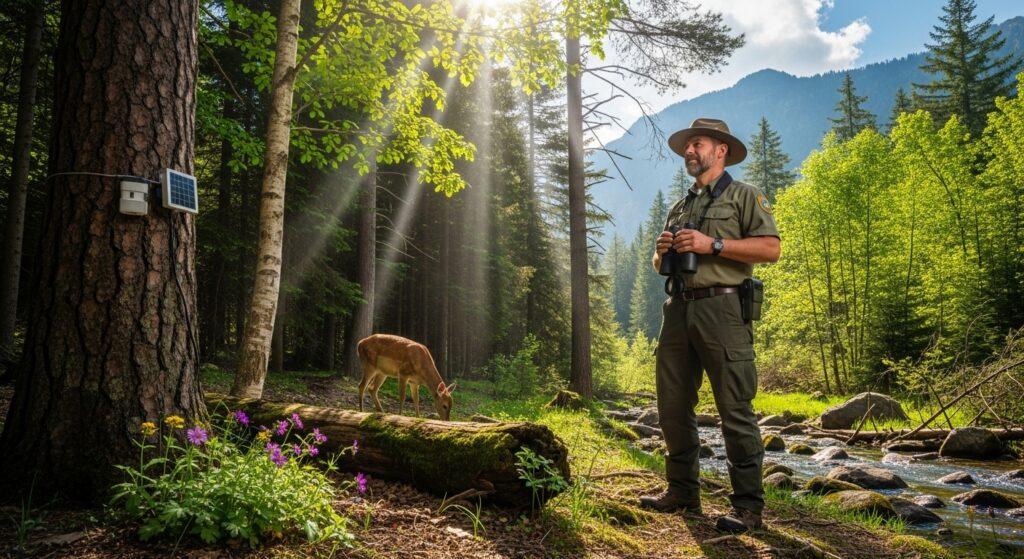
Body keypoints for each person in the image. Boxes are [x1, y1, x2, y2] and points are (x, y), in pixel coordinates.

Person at [638, 117, 781, 534]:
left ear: (720, 149)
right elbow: (659, 265)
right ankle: (682, 492)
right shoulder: (679, 207)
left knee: (734, 409)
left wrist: (712, 244)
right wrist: (662, 252)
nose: (689, 151)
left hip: (724, 310)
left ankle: (749, 510)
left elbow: (770, 249)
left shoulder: (745, 196)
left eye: (697, 144)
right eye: (687, 146)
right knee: (671, 406)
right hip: (678, 311)